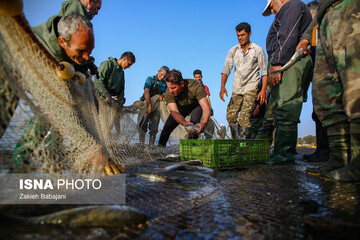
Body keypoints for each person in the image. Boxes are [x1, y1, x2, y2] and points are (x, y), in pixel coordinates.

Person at [12, 14, 105, 167]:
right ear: (62, 41)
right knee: (49, 112)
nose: (87, 56)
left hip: (49, 82)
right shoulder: (45, 51)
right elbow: (62, 110)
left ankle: (53, 164)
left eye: (90, 50)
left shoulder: (73, 48)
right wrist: (90, 146)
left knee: (49, 117)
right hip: (11, 69)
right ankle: (19, 165)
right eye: (82, 51)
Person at [297, 0, 360, 182]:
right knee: (326, 94)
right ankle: (339, 159)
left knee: (355, 89)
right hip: (325, 21)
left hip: (350, 9)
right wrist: (307, 35)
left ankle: (357, 163)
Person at [262, 0, 313, 165]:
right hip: (286, 60)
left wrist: (277, 62)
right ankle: (282, 151)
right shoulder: (291, 8)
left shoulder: (291, 6)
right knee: (281, 107)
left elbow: (287, 34)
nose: (273, 11)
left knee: (286, 107)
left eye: (272, 7)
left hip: (287, 61)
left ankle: (283, 155)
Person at [220, 22, 268, 140]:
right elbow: (226, 69)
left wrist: (263, 91)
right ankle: (236, 141)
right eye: (238, 35)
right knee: (230, 115)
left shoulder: (258, 50)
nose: (240, 38)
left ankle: (243, 145)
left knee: (244, 117)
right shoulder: (233, 51)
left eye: (242, 35)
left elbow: (264, 72)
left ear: (249, 34)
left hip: (251, 87)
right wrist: (222, 87)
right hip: (237, 87)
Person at [301, 1, 330, 163]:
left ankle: (326, 151)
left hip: (326, 75)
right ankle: (322, 150)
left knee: (324, 111)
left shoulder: (322, 27)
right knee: (317, 112)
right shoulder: (315, 33)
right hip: (318, 76)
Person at [158, 69, 211, 147]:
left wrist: (204, 122)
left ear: (181, 84)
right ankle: (160, 148)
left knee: (194, 126)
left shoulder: (195, 87)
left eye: (173, 88)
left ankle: (191, 148)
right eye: (169, 87)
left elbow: (206, 108)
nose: (171, 91)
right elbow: (174, 112)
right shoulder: (169, 93)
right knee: (167, 128)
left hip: (195, 106)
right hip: (180, 108)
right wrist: (184, 123)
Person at [94, 52, 135, 135]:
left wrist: (121, 99)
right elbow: (98, 81)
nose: (129, 67)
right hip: (97, 97)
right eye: (129, 64)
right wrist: (106, 95)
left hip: (109, 102)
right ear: (124, 59)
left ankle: (106, 142)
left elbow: (121, 89)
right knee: (99, 123)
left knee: (109, 124)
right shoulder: (107, 64)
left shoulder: (121, 72)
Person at [137, 66, 169, 145]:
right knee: (142, 124)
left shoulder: (166, 83)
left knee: (154, 125)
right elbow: (146, 92)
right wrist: (149, 106)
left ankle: (151, 145)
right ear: (158, 71)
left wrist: (163, 96)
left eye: (164, 76)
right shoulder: (150, 79)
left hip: (157, 106)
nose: (162, 77)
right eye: (161, 75)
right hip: (146, 103)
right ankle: (142, 144)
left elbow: (168, 93)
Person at [193, 69, 214, 139]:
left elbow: (207, 98)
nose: (198, 78)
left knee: (209, 126)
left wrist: (210, 108)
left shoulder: (205, 88)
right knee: (195, 126)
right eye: (196, 77)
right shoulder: (192, 87)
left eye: (199, 77)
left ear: (201, 77)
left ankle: (207, 141)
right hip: (195, 109)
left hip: (204, 109)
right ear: (194, 78)